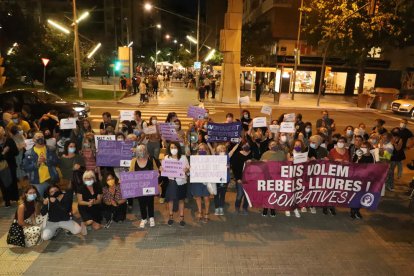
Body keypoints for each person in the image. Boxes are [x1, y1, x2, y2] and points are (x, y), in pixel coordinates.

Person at [23, 131, 59, 198]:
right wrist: (37, 164)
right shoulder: (28, 153)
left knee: (53, 200)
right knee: (39, 201)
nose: (40, 138)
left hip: (51, 179)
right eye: (38, 137)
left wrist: (46, 161)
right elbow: (26, 168)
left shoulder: (51, 149)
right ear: (33, 139)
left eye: (42, 137)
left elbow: (56, 162)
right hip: (37, 182)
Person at [129, 145, 157, 228]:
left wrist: (157, 174)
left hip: (150, 186)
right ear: (136, 152)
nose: (141, 152)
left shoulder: (151, 159)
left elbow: (156, 170)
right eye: (139, 150)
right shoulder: (134, 161)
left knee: (150, 201)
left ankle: (151, 217)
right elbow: (131, 172)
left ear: (146, 151)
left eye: (143, 150)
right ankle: (144, 218)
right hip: (139, 187)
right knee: (141, 202)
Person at [162, 142, 189, 227]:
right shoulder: (166, 158)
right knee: (171, 200)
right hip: (171, 182)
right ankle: (170, 216)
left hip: (181, 181)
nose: (173, 149)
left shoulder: (183, 158)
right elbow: (164, 170)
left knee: (181, 200)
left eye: (175, 147)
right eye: (171, 147)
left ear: (178, 148)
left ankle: (181, 217)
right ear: (169, 149)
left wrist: (187, 170)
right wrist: (161, 169)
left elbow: (188, 169)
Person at [260, 140, 288, 217]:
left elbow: (285, 164)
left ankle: (272, 208)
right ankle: (265, 208)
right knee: (266, 193)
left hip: (277, 177)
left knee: (274, 193)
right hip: (267, 177)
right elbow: (260, 165)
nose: (274, 145)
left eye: (275, 144)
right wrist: (263, 162)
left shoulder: (281, 153)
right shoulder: (265, 154)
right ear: (269, 147)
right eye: (272, 144)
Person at [351, 141, 374, 219]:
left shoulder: (371, 156)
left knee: (362, 195)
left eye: (365, 147)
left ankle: (357, 210)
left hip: (366, 179)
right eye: (362, 147)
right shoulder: (358, 154)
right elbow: (353, 164)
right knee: (355, 194)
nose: (363, 149)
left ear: (369, 148)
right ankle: (353, 210)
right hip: (357, 178)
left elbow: (373, 167)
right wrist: (358, 158)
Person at [327, 136, 350, 215]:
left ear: (345, 143)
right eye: (339, 141)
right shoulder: (332, 151)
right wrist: (335, 161)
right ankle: (327, 206)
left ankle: (332, 205)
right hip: (333, 174)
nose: (340, 143)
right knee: (331, 191)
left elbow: (350, 162)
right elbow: (328, 163)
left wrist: (346, 162)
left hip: (342, 174)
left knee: (337, 192)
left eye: (342, 141)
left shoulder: (347, 151)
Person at [190, 143, 212, 223]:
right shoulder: (194, 158)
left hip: (206, 181)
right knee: (198, 197)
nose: (201, 151)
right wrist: (190, 168)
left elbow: (216, 169)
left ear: (206, 150)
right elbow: (191, 170)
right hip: (197, 181)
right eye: (200, 149)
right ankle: (200, 212)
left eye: (203, 149)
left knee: (206, 198)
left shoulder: (211, 159)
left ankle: (207, 213)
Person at [77, 170, 102, 235]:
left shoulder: (98, 186)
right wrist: (89, 203)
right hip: (84, 207)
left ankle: (91, 221)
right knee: (89, 222)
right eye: (85, 178)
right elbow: (80, 202)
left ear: (93, 178)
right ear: (83, 179)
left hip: (95, 206)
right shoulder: (80, 188)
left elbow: (99, 200)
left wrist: (94, 202)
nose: (87, 180)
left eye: (89, 178)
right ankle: (84, 223)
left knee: (97, 227)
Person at [231, 142, 252, 214]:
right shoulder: (237, 155)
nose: (247, 146)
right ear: (242, 146)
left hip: (249, 178)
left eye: (248, 144)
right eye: (245, 145)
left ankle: (245, 208)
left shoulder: (251, 154)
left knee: (247, 195)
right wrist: (237, 178)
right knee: (240, 194)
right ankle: (237, 208)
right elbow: (234, 168)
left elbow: (257, 164)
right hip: (240, 178)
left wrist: (252, 161)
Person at [0, 126, 19, 207]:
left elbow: (16, 152)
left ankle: (15, 198)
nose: (2, 132)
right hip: (1, 167)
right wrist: (4, 153)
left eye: (2, 130)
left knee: (13, 181)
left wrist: (8, 152)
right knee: (3, 183)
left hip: (11, 165)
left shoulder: (9, 141)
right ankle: (7, 200)